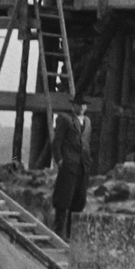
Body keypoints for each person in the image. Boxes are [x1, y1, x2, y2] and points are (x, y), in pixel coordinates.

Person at [50, 97, 92, 240]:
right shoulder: (65, 119)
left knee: (79, 200)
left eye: (83, 105)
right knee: (63, 199)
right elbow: (57, 142)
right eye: (78, 104)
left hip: (83, 166)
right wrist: (60, 161)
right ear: (73, 105)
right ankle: (58, 234)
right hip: (69, 165)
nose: (81, 107)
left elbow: (86, 143)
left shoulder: (87, 122)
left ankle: (71, 236)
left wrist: (87, 162)